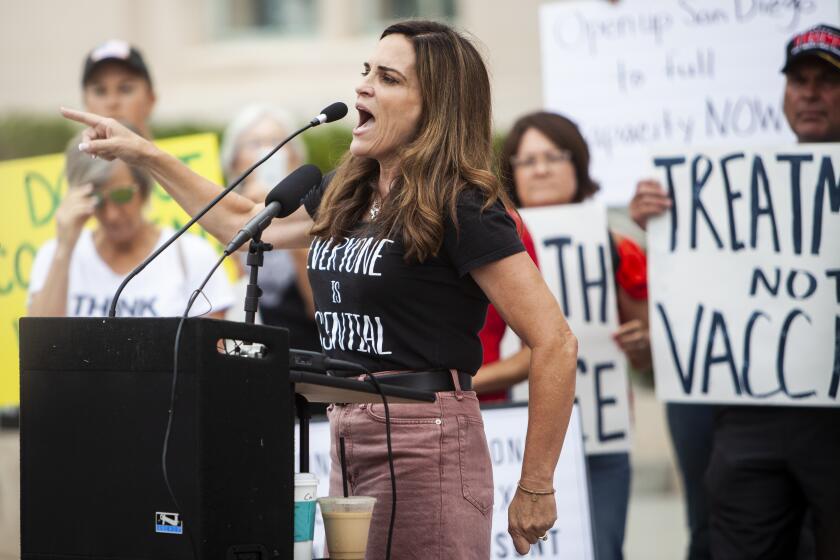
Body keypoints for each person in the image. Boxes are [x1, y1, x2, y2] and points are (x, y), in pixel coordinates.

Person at [60, 20, 578, 559]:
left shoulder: (463, 205)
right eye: (365, 72)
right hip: (346, 435)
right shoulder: (347, 192)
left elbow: (555, 342)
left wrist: (536, 484)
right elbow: (238, 223)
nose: (363, 87)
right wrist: (145, 154)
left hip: (429, 441)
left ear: (435, 107)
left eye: (388, 78)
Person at [630, 24, 840, 560]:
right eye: (799, 80)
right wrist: (659, 223)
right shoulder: (735, 185)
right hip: (750, 414)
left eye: (826, 81)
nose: (810, 93)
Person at [486, 111, 650, 560]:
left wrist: (643, 342)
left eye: (552, 157)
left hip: (600, 432)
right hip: (511, 435)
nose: (539, 169)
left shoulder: (617, 247)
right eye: (526, 159)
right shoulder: (483, 242)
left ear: (577, 164)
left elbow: (647, 353)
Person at [28, 134, 233, 318]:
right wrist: (64, 249)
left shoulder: (193, 255)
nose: (112, 214)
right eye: (97, 199)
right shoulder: (54, 254)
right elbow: (39, 346)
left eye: (122, 196)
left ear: (143, 190)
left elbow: (209, 352)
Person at [219, 105, 320, 350]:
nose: (268, 151)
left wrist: (285, 222)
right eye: (254, 144)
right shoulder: (217, 214)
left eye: (277, 142)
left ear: (295, 158)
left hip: (304, 348)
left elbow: (321, 310)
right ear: (233, 161)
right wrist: (249, 215)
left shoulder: (317, 211)